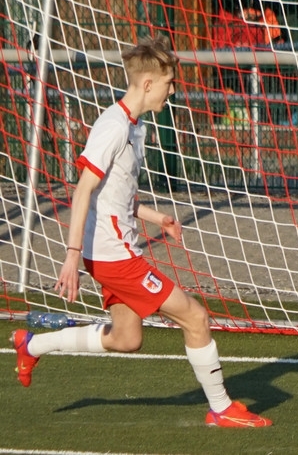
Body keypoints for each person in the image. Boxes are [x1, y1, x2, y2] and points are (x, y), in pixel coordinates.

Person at [10, 35, 271, 428]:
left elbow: (115, 194)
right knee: (195, 317)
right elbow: (82, 190)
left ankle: (32, 344)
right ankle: (221, 408)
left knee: (126, 339)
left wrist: (155, 218)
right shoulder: (113, 127)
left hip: (113, 252)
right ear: (148, 84)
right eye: (169, 83)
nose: (173, 90)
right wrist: (71, 256)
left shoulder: (135, 126)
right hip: (115, 257)